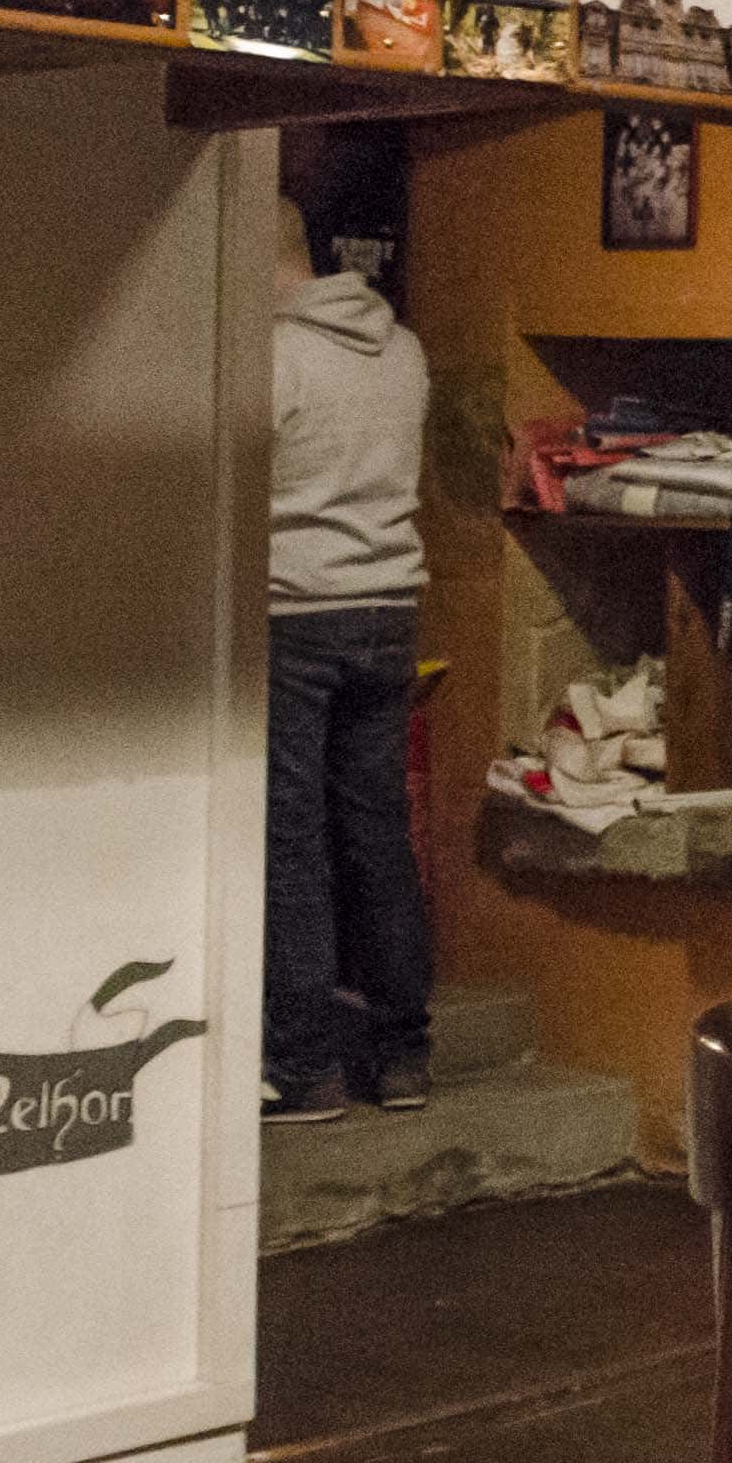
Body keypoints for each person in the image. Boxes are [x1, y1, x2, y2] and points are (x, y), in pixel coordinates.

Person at [265, 197, 435, 1121]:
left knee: (291, 842)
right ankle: (404, 1053)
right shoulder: (402, 348)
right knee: (376, 831)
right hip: (391, 608)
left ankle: (306, 1071)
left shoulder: (274, 354)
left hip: (294, 610)